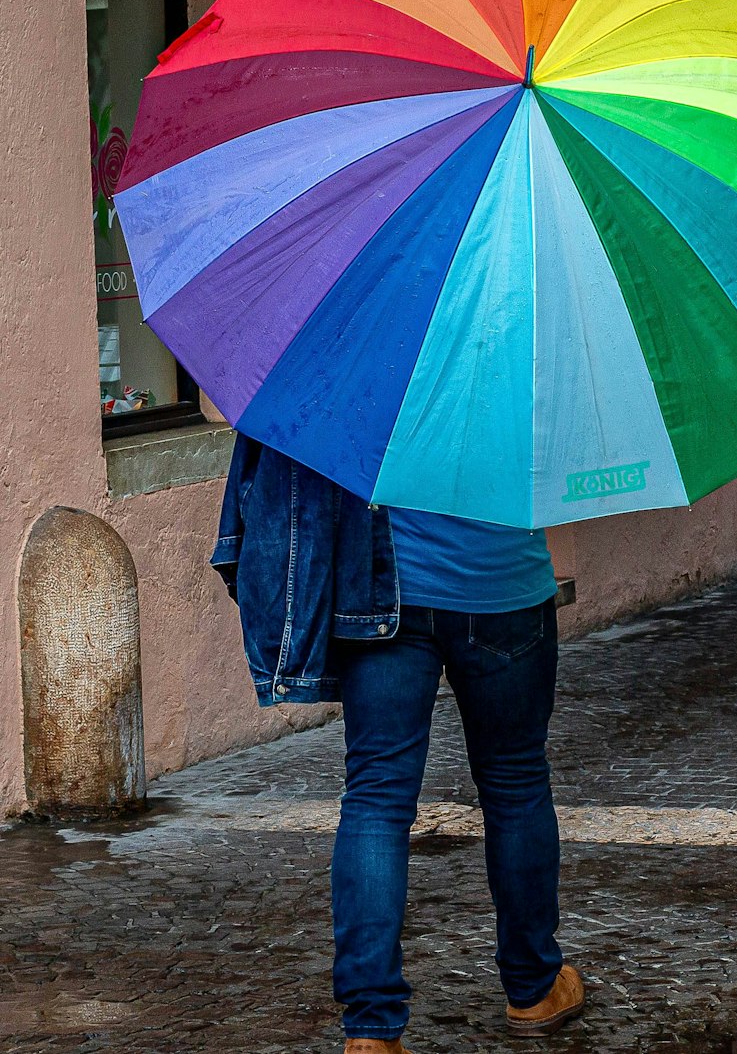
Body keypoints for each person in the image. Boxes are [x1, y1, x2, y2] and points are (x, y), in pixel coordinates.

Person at [214, 437, 585, 1052]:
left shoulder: (369, 341)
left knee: (376, 799)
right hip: (504, 584)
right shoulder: (528, 344)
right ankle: (535, 988)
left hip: (385, 594)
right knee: (516, 784)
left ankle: (371, 1030)